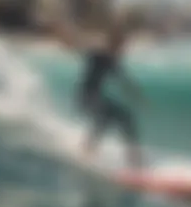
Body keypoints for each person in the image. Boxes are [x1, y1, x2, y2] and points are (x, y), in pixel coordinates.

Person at [51, 11, 144, 169]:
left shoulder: (113, 61)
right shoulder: (97, 55)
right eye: (120, 45)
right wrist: (63, 32)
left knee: (127, 117)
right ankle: (87, 151)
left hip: (97, 97)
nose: (122, 49)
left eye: (123, 45)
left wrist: (138, 97)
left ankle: (134, 158)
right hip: (85, 97)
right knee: (103, 115)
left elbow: (124, 81)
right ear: (113, 44)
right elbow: (77, 46)